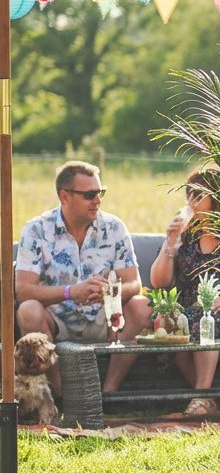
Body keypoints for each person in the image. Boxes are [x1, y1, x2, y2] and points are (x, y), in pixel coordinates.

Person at [15, 160, 151, 394]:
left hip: (105, 317)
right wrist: (70, 292)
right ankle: (60, 396)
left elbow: (134, 283)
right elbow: (23, 290)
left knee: (142, 306)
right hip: (55, 320)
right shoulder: (36, 230)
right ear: (64, 196)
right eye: (89, 195)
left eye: (100, 193)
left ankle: (109, 392)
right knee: (28, 310)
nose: (97, 200)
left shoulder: (114, 228)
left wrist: (110, 292)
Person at [149, 166, 220, 404]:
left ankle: (201, 397)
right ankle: (205, 397)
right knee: (172, 321)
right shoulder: (185, 236)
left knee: (205, 319)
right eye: (188, 193)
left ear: (217, 198)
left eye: (198, 194)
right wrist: (170, 243)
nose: (191, 200)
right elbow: (158, 281)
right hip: (189, 308)